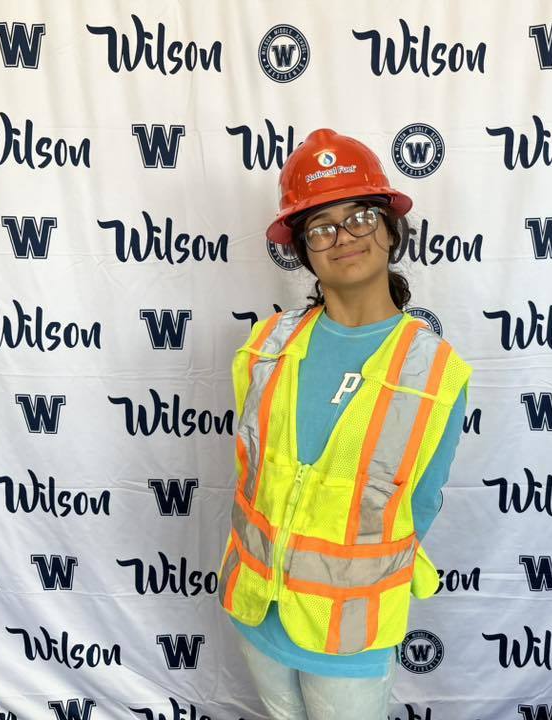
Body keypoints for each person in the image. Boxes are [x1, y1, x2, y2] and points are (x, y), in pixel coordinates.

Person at [216, 128, 472, 720]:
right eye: (321, 227)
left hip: (349, 629)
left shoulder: (435, 371)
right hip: (255, 605)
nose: (343, 236)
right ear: (303, 249)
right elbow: (252, 474)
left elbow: (421, 506)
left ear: (390, 230)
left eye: (359, 216)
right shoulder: (264, 346)